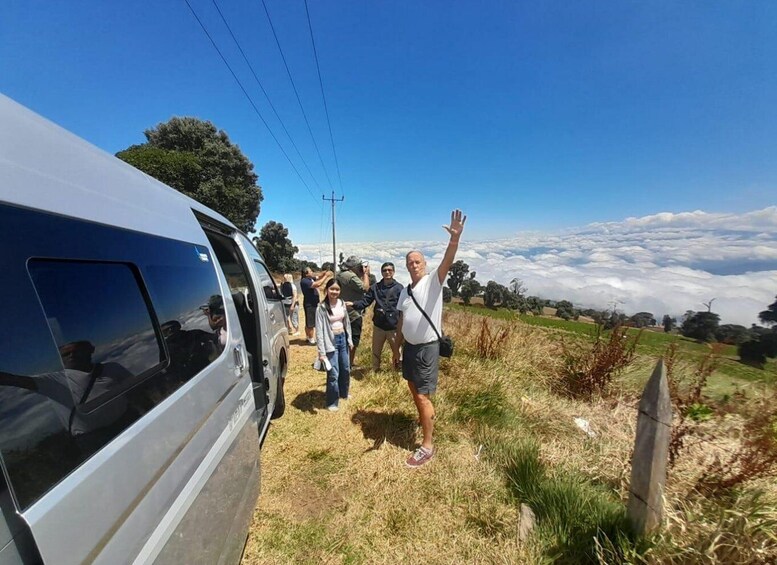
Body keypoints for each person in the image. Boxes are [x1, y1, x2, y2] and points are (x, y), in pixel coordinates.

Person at [393, 209, 466, 468]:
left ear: (424, 265)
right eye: (410, 262)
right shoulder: (404, 291)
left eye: (417, 261)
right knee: (415, 391)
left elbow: (448, 259)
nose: (413, 264)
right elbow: (402, 320)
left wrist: (454, 239)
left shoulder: (433, 281)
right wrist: (397, 349)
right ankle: (426, 419)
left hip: (426, 349)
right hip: (409, 349)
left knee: (422, 396)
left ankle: (427, 446)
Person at [348, 262, 404, 371]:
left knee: (397, 352)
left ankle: (398, 372)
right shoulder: (375, 287)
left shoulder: (399, 288)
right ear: (381, 272)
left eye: (389, 270)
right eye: (384, 270)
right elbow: (366, 301)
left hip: (394, 327)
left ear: (394, 272)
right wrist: (354, 304)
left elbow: (403, 308)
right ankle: (375, 372)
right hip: (379, 326)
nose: (387, 272)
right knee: (376, 353)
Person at [315, 278, 353, 412]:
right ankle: (332, 401)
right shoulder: (321, 307)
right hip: (330, 342)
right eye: (332, 289)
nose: (334, 292)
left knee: (346, 369)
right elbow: (319, 331)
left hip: (342, 338)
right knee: (333, 373)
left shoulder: (342, 303)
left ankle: (343, 393)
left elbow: (346, 322)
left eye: (337, 289)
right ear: (326, 290)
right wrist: (321, 352)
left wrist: (350, 340)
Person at [337, 256, 371, 365]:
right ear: (355, 267)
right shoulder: (351, 277)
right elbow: (365, 288)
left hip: (341, 311)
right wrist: (365, 274)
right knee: (353, 340)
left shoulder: (340, 274)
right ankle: (349, 364)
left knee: (342, 339)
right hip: (353, 313)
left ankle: (342, 361)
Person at [300, 267, 332, 344]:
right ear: (306, 273)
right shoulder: (305, 281)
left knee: (309, 322)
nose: (312, 272)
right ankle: (311, 340)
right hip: (310, 304)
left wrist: (323, 273)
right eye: (310, 271)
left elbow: (318, 277)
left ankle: (308, 337)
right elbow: (318, 284)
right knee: (310, 323)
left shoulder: (310, 278)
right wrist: (326, 276)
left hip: (313, 303)